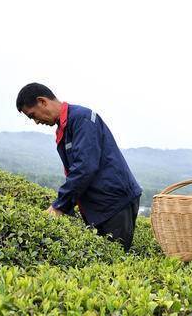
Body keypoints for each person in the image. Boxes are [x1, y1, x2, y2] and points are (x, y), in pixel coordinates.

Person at [16, 82, 143, 251]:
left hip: (114, 203)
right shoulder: (65, 126)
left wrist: (59, 205)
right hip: (98, 205)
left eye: (33, 115)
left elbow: (84, 167)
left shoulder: (82, 119)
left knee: (113, 257)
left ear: (42, 102)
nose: (36, 122)